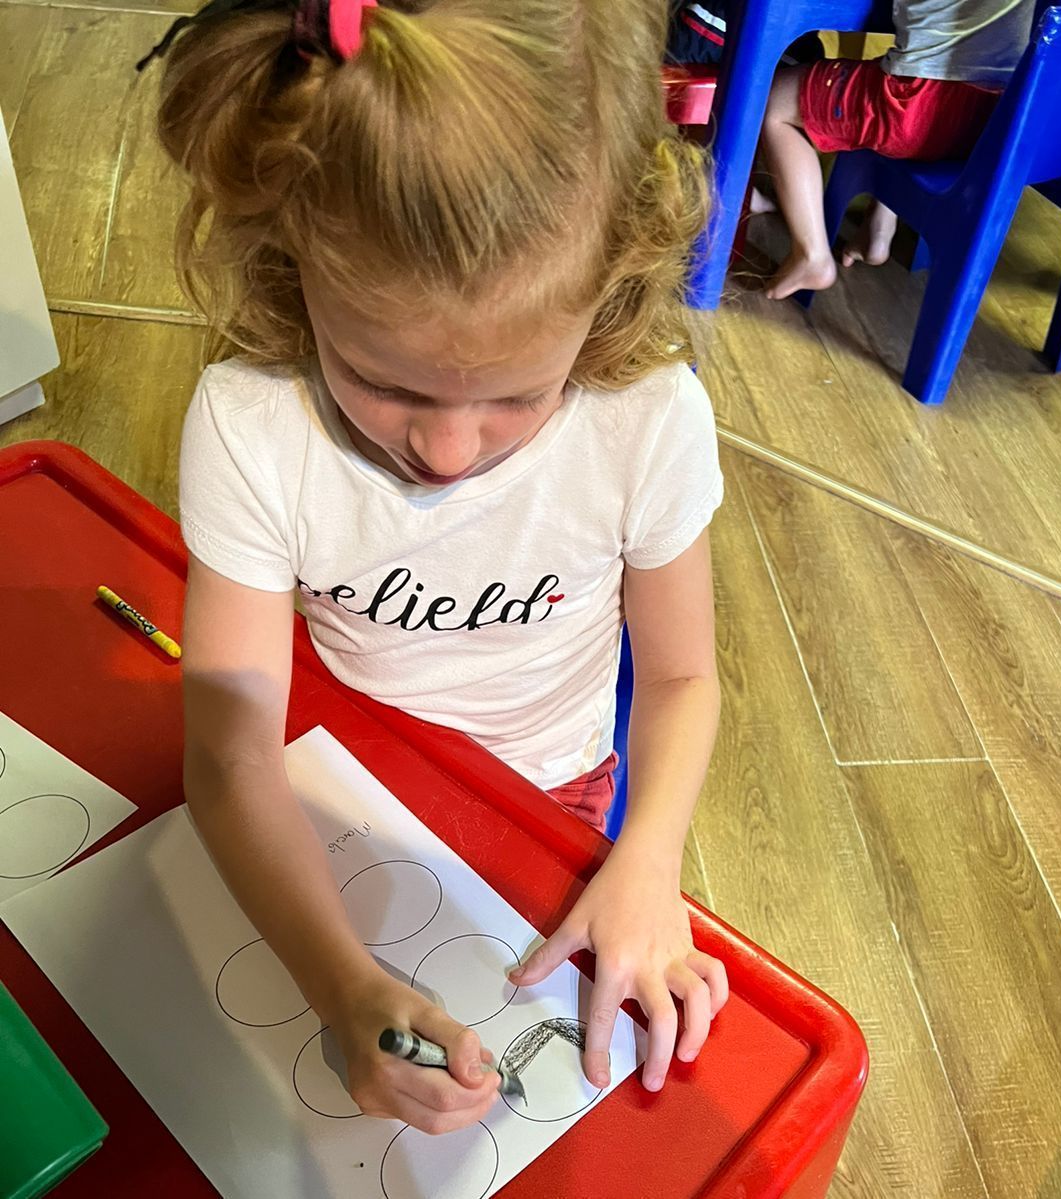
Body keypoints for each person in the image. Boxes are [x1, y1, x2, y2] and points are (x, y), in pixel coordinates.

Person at [140, 0, 729, 1137]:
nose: (447, 451)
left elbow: (680, 681)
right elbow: (227, 745)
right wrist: (340, 985)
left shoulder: (645, 419)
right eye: (387, 381)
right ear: (287, 258)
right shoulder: (250, 423)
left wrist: (648, 861)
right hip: (334, 783)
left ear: (610, 279)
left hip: (554, 798)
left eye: (515, 394)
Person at [760, 0, 1036, 299]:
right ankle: (878, 228)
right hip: (993, 119)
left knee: (774, 102)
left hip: (916, 108)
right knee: (889, 70)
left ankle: (811, 253)